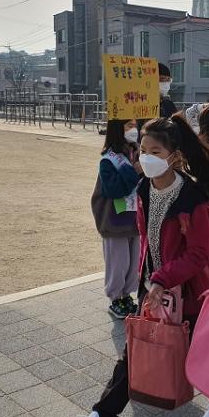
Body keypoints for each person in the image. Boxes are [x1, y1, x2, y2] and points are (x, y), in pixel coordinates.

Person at [59, 115, 209, 417]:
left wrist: (162, 277)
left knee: (203, 355)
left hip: (189, 296)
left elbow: (199, 253)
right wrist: (148, 279)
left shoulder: (193, 198)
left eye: (155, 152)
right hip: (153, 290)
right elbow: (146, 236)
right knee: (133, 354)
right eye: (143, 150)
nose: (146, 158)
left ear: (174, 156)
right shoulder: (144, 187)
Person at [91, 119, 142, 319]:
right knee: (118, 263)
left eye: (134, 125)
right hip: (115, 222)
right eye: (128, 125)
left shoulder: (138, 152)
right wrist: (134, 170)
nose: (133, 129)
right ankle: (115, 298)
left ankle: (126, 295)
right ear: (117, 129)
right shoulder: (109, 160)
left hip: (135, 220)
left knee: (133, 262)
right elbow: (114, 190)